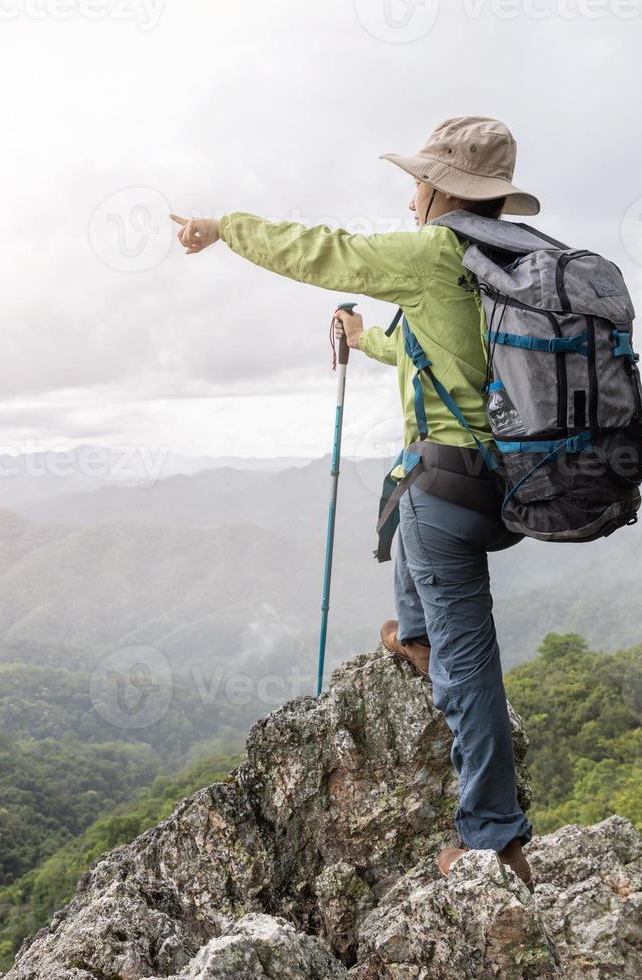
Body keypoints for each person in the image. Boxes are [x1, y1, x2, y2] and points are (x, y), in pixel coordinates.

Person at [169, 116, 536, 888]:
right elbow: (422, 347)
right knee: (410, 516)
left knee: (468, 652)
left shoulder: (435, 252)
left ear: (442, 189)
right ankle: (416, 636)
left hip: (450, 487)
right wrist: (365, 335)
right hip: (505, 481)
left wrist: (225, 227)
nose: (411, 198)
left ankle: (494, 841)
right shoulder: (501, 261)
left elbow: (322, 249)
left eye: (417, 183)